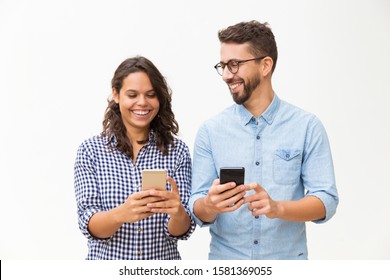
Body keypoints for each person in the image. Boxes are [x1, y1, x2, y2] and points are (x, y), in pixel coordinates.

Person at [189, 20, 339, 260]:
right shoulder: (210, 131)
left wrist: (278, 208)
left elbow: (326, 200)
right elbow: (196, 207)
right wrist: (209, 204)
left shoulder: (307, 126)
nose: (227, 75)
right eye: (223, 66)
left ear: (265, 65)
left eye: (235, 64)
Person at [74, 56, 195, 260]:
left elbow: (181, 231)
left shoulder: (177, 151)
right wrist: (122, 213)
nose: (142, 103)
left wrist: (178, 212)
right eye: (132, 94)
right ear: (116, 94)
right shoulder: (90, 151)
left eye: (151, 94)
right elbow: (89, 224)